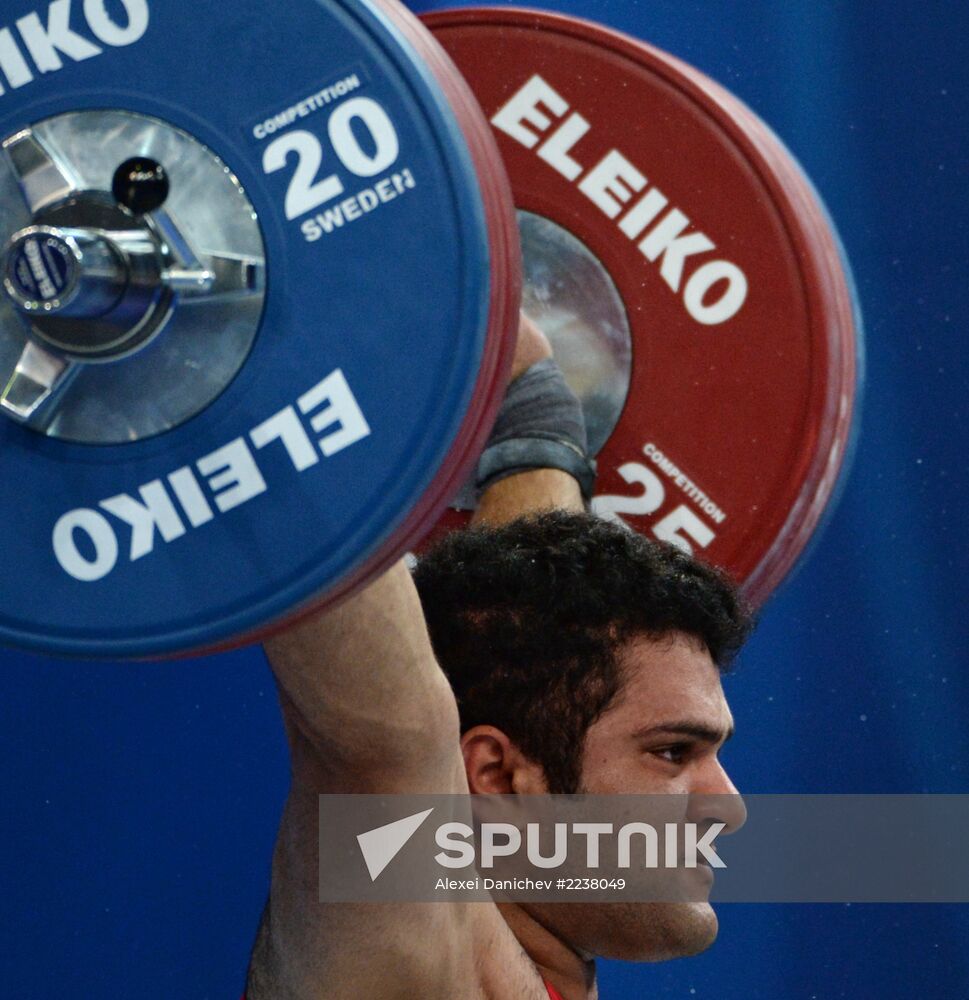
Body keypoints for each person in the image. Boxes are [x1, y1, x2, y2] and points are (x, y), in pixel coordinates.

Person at [245, 315, 753, 1000]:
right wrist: (244, 363)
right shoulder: (413, 951)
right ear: (496, 772)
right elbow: (389, 740)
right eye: (671, 753)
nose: (729, 806)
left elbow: (530, 615)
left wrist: (529, 417)